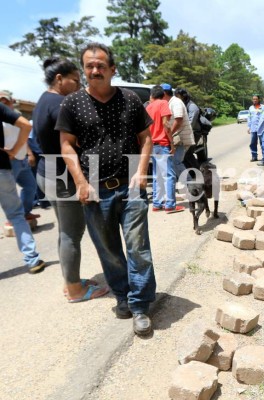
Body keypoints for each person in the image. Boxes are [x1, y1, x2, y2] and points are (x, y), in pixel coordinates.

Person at [58, 42, 156, 336]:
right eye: (89, 65)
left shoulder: (129, 100)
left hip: (130, 186)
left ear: (113, 69)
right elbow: (66, 145)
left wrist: (141, 172)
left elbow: (146, 138)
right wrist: (81, 182)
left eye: (101, 65)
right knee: (110, 250)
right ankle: (123, 296)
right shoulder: (72, 104)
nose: (95, 70)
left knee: (138, 248)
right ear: (84, 70)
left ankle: (139, 306)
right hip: (95, 191)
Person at [34, 57, 109, 302]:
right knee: (72, 234)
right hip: (64, 178)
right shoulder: (60, 104)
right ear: (59, 79)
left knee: (65, 232)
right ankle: (76, 290)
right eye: (75, 80)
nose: (78, 85)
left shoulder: (44, 100)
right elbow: (76, 142)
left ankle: (70, 281)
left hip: (48, 173)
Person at [0, 101, 46, 273]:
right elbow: (25, 125)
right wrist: (14, 150)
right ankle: (32, 260)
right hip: (2, 170)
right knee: (16, 215)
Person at [1, 91, 39, 222]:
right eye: (0, 100)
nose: (3, 102)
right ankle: (13, 219)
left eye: (5, 100)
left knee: (31, 186)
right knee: (10, 193)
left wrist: (29, 153)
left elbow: (24, 137)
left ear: (11, 101)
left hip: (22, 159)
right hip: (10, 161)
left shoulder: (17, 117)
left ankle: (25, 212)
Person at [146, 85, 179, 213]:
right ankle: (170, 204)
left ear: (151, 95)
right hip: (163, 144)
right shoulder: (163, 103)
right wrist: (171, 143)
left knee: (156, 175)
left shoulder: (148, 107)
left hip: (153, 145)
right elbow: (166, 124)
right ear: (163, 95)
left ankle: (157, 203)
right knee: (169, 175)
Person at [161, 83, 194, 203]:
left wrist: (168, 134)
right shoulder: (169, 103)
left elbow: (178, 120)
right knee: (172, 164)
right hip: (175, 137)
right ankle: (177, 188)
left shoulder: (175, 102)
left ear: (164, 93)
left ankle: (191, 185)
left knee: (176, 162)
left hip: (180, 138)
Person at [247, 95, 264, 162]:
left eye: (256, 99)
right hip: (253, 128)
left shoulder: (263, 107)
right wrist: (249, 127)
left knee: (262, 143)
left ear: (259, 99)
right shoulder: (250, 108)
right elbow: (249, 118)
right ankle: (254, 156)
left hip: (261, 128)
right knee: (253, 143)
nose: (255, 100)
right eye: (253, 99)